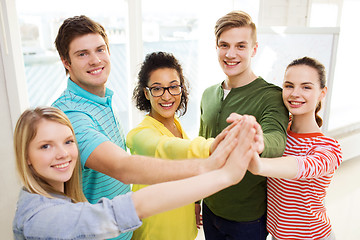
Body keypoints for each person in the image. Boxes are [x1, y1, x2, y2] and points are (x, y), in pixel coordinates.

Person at [51, 15, 231, 240]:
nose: (95, 60)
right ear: (66, 62)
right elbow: (122, 167)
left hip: (122, 230)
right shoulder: (71, 116)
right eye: (82, 54)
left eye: (100, 49)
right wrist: (211, 157)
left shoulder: (101, 101)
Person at [12, 106, 257, 240]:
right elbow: (129, 207)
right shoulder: (39, 219)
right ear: (26, 158)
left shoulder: (53, 197)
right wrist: (220, 173)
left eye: (68, 141)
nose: (62, 153)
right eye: (45, 146)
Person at [198, 10, 289, 239]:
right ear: (216, 47)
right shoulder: (209, 94)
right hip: (210, 205)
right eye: (224, 45)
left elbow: (276, 139)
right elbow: (200, 148)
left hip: (246, 218)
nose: (231, 54)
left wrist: (258, 140)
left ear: (254, 49)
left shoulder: (271, 96)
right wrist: (196, 199)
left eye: (240, 46)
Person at [246, 57, 342, 240]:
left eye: (306, 87)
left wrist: (258, 165)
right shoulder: (278, 132)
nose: (295, 93)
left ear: (322, 93)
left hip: (312, 237)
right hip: (277, 235)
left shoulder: (329, 148)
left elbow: (301, 166)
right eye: (289, 86)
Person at [127, 51, 219, 239]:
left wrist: (195, 201)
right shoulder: (139, 135)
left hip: (183, 230)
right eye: (157, 88)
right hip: (155, 232)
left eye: (173, 87)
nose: (167, 96)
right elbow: (166, 147)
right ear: (146, 93)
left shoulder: (176, 125)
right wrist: (213, 146)